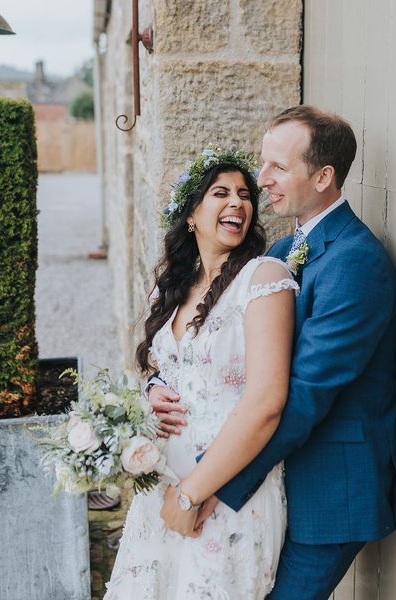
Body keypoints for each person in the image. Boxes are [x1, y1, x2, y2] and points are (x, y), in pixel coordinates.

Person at [152, 106, 396, 599]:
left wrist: (203, 486)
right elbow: (218, 345)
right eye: (263, 164)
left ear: (324, 176)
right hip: (274, 481)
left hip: (328, 493)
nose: (262, 179)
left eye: (278, 168)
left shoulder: (356, 263)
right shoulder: (284, 248)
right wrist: (159, 386)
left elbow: (301, 396)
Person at [104, 147, 300, 600]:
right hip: (162, 485)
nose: (238, 203)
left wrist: (193, 494)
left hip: (224, 491)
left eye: (245, 195)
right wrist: (152, 389)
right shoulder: (172, 285)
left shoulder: (263, 277)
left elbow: (268, 403)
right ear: (192, 213)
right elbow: (161, 365)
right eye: (221, 193)